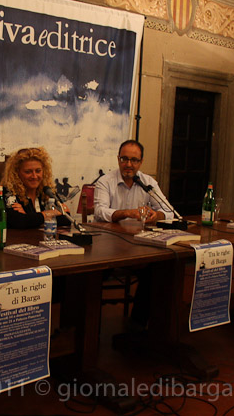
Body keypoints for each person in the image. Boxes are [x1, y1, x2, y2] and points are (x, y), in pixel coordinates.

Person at [94, 140, 174, 330]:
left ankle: (138, 324)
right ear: (118, 159)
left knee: (159, 269)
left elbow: (170, 212)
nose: (128, 164)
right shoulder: (105, 181)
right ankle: (91, 328)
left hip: (139, 246)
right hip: (108, 247)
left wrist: (157, 215)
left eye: (134, 160)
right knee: (91, 275)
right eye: (124, 159)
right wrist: (127, 213)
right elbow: (99, 211)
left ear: (141, 162)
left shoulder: (148, 182)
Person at [1, 147, 70, 229]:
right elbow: (19, 221)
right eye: (28, 172)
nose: (34, 176)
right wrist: (51, 213)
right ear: (17, 173)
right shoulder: (9, 191)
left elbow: (67, 218)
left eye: (38, 171)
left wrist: (30, 218)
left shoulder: (47, 190)